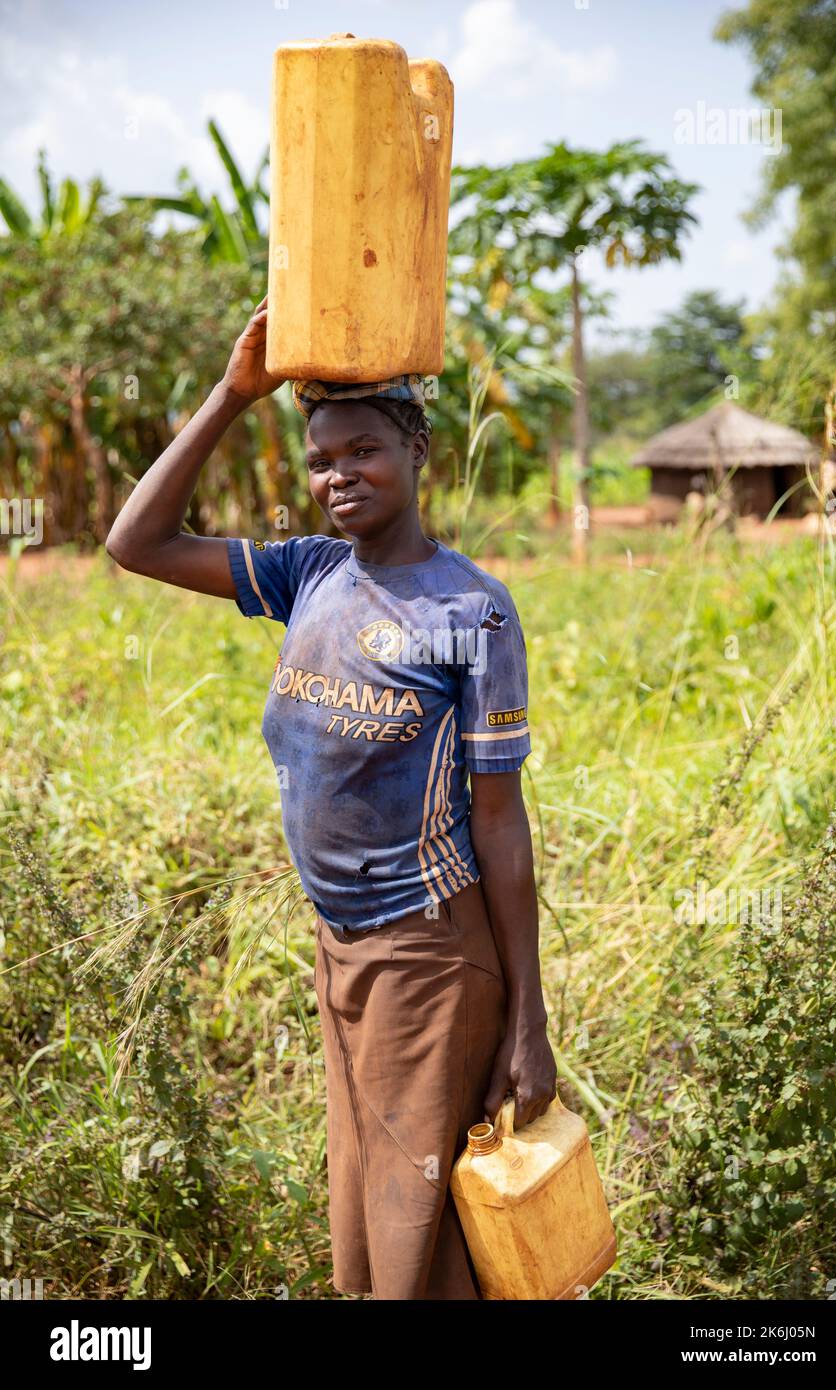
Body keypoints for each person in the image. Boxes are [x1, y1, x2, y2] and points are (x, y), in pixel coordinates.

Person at [105, 295, 558, 1300]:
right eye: (319, 460)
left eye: (363, 451)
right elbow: (134, 543)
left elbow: (499, 819)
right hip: (339, 945)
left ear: (418, 455)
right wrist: (233, 392)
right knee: (371, 1214)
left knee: (418, 1229)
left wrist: (528, 1018)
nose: (337, 476)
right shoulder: (309, 575)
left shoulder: (465, 612)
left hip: (427, 956)